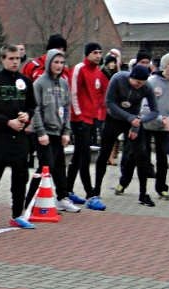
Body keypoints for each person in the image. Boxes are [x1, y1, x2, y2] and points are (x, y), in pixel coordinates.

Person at [0, 44, 36, 229]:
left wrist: (27, 117)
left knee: (20, 177)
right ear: (3, 59)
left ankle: (17, 214)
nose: (14, 62)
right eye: (10, 58)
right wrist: (6, 122)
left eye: (17, 59)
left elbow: (31, 105)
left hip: (20, 138)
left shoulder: (25, 81)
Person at [24, 49, 80, 213]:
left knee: (60, 165)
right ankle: (30, 200)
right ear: (48, 63)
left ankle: (62, 197)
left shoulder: (63, 83)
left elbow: (67, 108)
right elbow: (35, 109)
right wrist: (41, 132)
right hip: (43, 133)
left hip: (58, 131)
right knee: (46, 165)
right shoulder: (39, 83)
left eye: (62, 63)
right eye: (55, 62)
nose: (59, 66)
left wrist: (66, 131)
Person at [96, 65, 158, 206]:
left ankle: (143, 194)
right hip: (114, 118)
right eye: (136, 82)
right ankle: (96, 191)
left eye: (141, 84)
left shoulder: (146, 87)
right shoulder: (118, 79)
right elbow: (109, 102)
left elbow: (155, 111)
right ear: (131, 77)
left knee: (141, 155)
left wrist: (139, 122)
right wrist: (128, 117)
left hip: (134, 121)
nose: (138, 86)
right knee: (104, 154)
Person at [132, 52, 169, 200]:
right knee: (144, 156)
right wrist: (159, 117)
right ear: (164, 65)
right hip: (148, 123)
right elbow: (144, 106)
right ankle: (142, 190)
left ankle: (161, 188)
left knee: (162, 158)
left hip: (164, 125)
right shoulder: (152, 81)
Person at [66, 42, 108, 210]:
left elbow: (99, 96)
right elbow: (73, 93)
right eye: (95, 52)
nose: (98, 55)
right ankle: (90, 195)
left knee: (78, 155)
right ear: (87, 54)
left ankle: (67, 190)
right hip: (79, 119)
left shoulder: (98, 72)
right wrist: (78, 115)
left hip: (91, 118)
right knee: (84, 156)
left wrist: (97, 115)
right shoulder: (79, 69)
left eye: (100, 52)